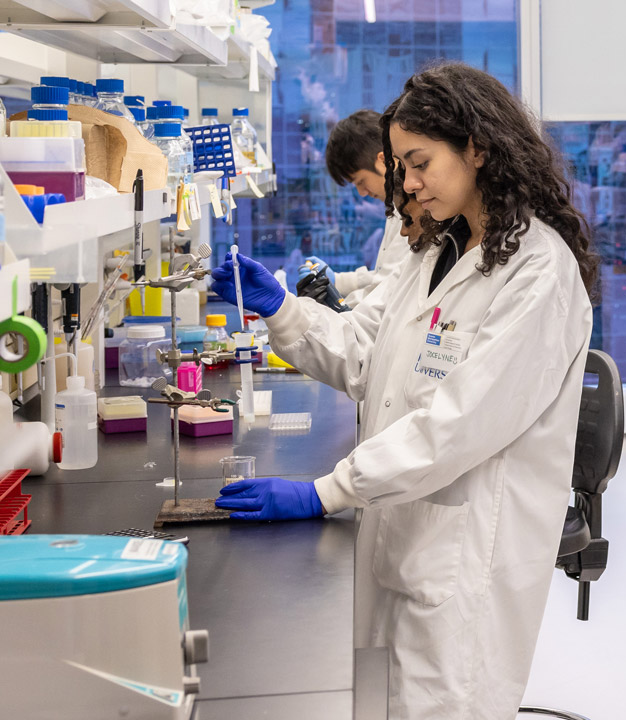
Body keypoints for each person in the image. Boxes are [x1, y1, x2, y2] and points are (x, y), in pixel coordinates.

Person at [206, 63, 600, 720]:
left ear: (478, 147)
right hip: (403, 531)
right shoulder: (436, 249)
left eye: (420, 163)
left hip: (465, 555)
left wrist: (324, 491)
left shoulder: (538, 271)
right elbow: (365, 354)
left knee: (445, 702)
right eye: (401, 167)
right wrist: (280, 310)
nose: (407, 183)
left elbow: (458, 423)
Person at [318, 109, 424, 308]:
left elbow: (387, 289)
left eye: (361, 181)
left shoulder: (417, 207)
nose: (362, 193)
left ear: (382, 161)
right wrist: (339, 282)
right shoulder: (397, 203)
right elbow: (387, 273)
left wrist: (338, 308)